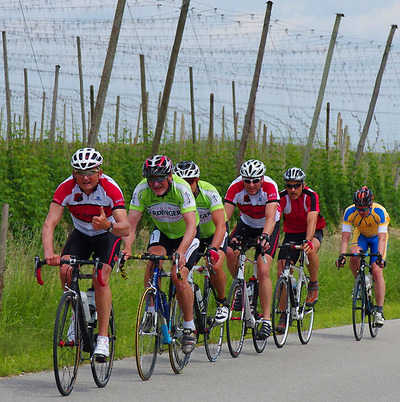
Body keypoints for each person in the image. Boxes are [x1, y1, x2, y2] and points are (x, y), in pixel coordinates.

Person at [42, 147, 130, 359]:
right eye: (80, 172)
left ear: (100, 172)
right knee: (65, 270)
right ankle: (77, 316)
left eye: (90, 171)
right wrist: (49, 253)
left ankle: (102, 338)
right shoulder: (66, 188)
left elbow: (125, 227)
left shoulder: (110, 189)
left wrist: (107, 225)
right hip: (81, 233)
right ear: (74, 174)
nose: (86, 177)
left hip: (107, 235)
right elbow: (49, 223)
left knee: (100, 278)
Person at [122, 155, 200, 354]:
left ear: (170, 176)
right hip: (163, 233)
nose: (155, 183)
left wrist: (182, 251)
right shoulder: (142, 190)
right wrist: (128, 249)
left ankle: (189, 326)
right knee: (152, 261)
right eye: (151, 179)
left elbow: (191, 225)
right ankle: (150, 311)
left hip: (186, 235)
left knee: (177, 275)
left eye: (160, 178)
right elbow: (131, 224)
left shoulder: (181, 189)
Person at [224, 159, 280, 340]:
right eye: (247, 181)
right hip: (246, 223)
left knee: (263, 269)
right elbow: (224, 216)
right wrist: (224, 236)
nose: (251, 185)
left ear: (262, 178)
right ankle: (240, 286)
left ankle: (266, 320)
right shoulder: (235, 187)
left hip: (267, 226)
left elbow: (271, 216)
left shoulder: (270, 186)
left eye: (255, 180)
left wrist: (265, 236)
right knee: (230, 251)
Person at [173, 160, 229, 324]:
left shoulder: (209, 191)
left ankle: (222, 302)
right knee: (180, 272)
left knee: (214, 265)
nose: (186, 185)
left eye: (190, 181)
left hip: (213, 234)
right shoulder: (177, 194)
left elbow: (221, 225)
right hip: (193, 236)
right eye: (182, 182)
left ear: (197, 180)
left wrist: (214, 248)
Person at [277, 167, 325, 332]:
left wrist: (308, 240)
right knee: (281, 270)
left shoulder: (311, 196)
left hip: (311, 231)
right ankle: (283, 314)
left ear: (303, 185)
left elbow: (312, 221)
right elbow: (274, 219)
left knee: (310, 251)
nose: (292, 189)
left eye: (296, 186)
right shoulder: (281, 197)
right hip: (291, 233)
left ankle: (313, 284)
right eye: (289, 186)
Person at [335, 186, 389, 327]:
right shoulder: (349, 212)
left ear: (370, 205)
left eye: (363, 209)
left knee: (377, 271)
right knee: (354, 256)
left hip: (377, 238)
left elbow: (382, 239)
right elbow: (345, 238)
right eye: (358, 208)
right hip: (362, 237)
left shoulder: (379, 211)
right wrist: (341, 256)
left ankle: (379, 311)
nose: (360, 211)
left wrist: (381, 258)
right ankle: (361, 281)